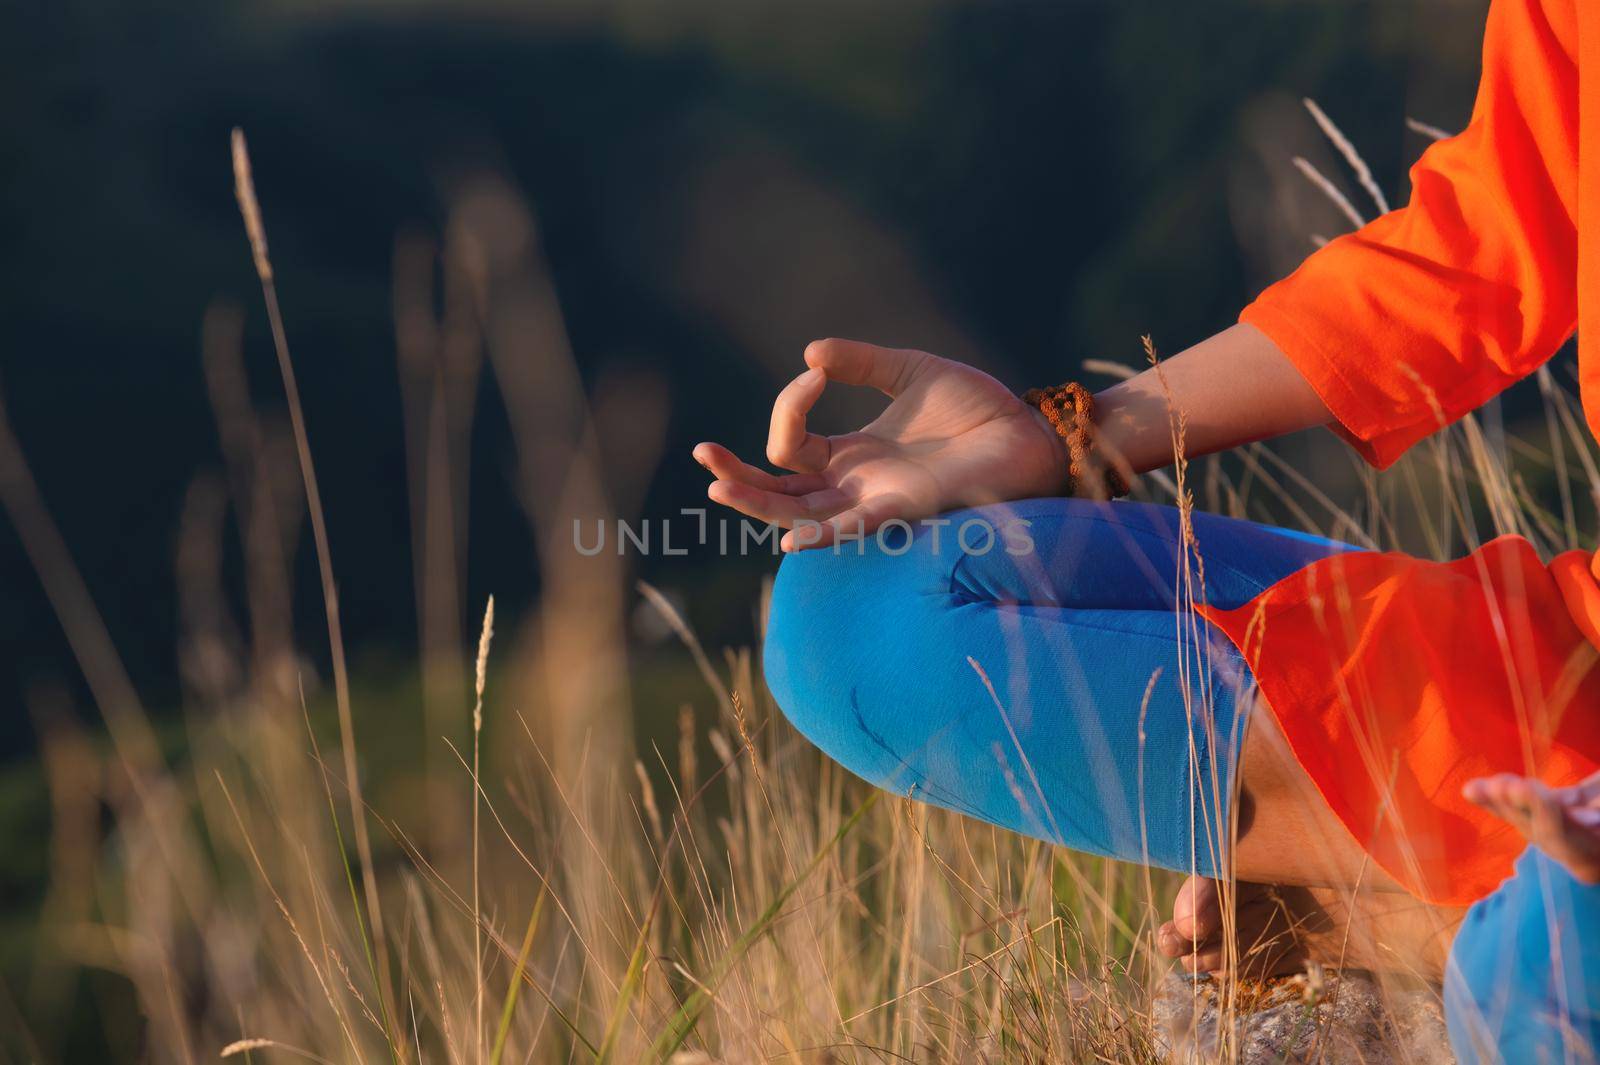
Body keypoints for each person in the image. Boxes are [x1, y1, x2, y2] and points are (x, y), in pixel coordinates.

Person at [695, 1, 1600, 1060]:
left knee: (1538, 970)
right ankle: (1445, 883)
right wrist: (1072, 438)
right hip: (1570, 665)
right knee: (855, 617)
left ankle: (1428, 918)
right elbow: (1485, 236)